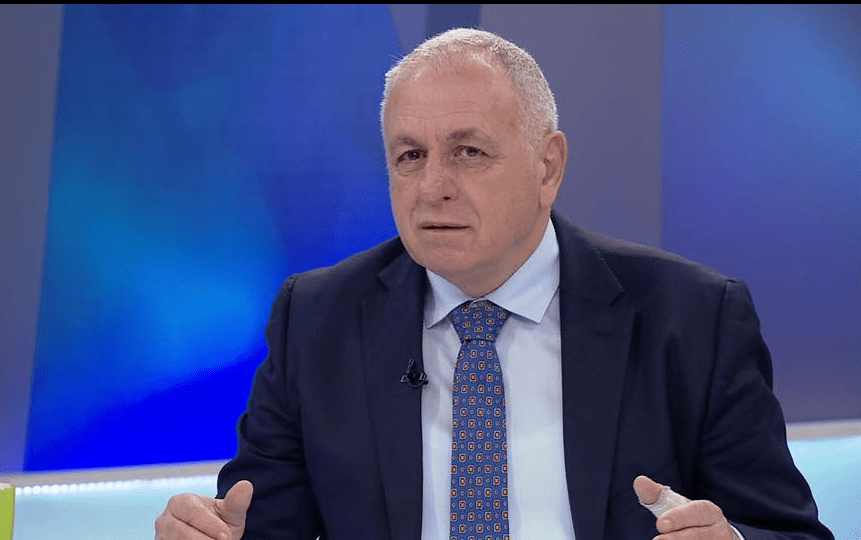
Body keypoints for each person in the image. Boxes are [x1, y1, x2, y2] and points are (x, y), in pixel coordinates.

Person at [155, 28, 832, 540]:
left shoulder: (691, 318)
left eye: (468, 152)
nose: (432, 187)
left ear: (547, 167)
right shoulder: (317, 319)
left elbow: (789, 531)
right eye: (409, 155)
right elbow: (255, 524)